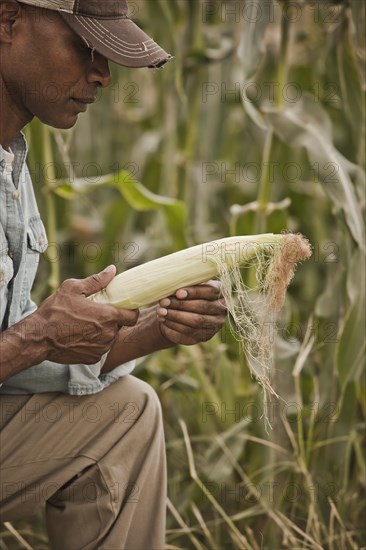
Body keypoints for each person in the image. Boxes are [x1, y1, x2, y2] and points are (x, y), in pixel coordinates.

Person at [0, 1, 227, 548]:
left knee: (125, 411)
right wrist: (36, 336)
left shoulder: (9, 162)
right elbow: (22, 345)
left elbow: (15, 356)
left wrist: (155, 328)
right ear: (7, 21)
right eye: (84, 46)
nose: (102, 74)